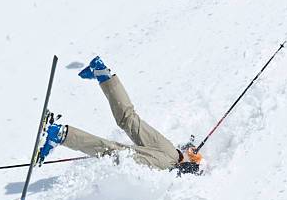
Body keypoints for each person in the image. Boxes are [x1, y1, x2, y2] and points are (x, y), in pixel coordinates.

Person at [39, 56, 205, 174]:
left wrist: (190, 157)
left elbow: (196, 168)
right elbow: (196, 174)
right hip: (169, 164)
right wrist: (192, 163)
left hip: (174, 154)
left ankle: (103, 75)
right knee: (116, 153)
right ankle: (59, 134)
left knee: (129, 119)